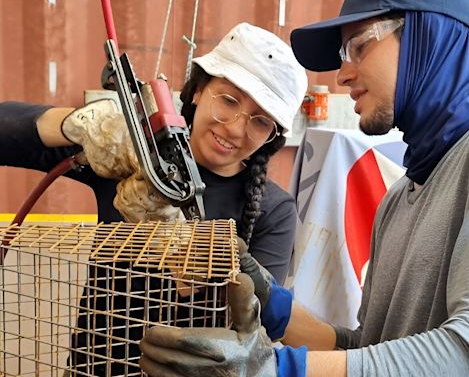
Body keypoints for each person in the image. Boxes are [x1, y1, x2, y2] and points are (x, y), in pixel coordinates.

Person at [137, 0, 469, 376]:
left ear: (428, 36)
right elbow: (370, 349)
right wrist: (270, 300)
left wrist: (280, 370)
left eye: (360, 46)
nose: (342, 75)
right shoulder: (398, 199)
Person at [0, 22, 307, 375]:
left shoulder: (273, 208)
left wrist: (186, 247)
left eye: (260, 121)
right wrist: (80, 124)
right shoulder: (135, 159)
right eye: (229, 100)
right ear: (197, 91)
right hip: (94, 366)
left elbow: (259, 321)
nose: (236, 128)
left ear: (272, 136)